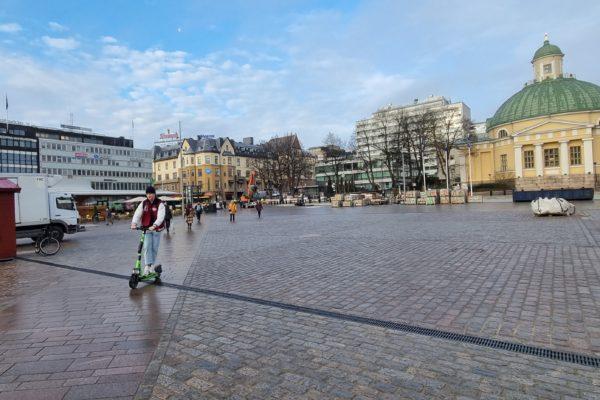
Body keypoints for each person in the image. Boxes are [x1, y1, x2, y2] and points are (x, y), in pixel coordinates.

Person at [131, 186, 165, 276]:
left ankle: (152, 266)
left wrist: (155, 225)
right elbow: (138, 213)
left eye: (151, 193)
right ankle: (147, 265)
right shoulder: (144, 203)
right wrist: (134, 223)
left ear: (154, 194)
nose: (149, 195)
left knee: (154, 248)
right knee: (146, 247)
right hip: (146, 229)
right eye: (147, 194)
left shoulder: (160, 203)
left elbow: (161, 216)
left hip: (157, 229)